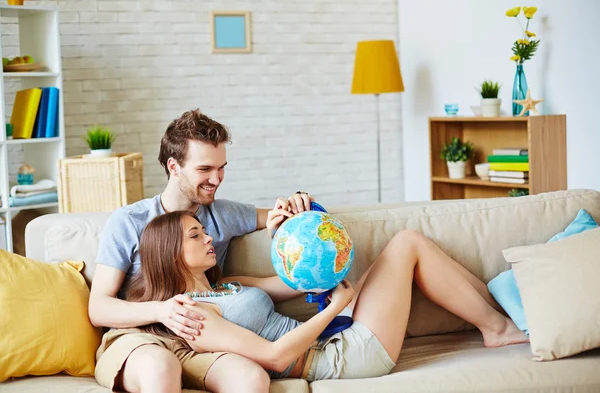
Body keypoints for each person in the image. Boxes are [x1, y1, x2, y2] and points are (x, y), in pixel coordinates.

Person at [127, 209, 529, 386]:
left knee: (410, 243)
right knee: (407, 244)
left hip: (337, 332)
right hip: (336, 358)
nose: (209, 237)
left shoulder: (226, 282)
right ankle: (497, 326)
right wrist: (336, 306)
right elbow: (274, 357)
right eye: (196, 235)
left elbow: (289, 281)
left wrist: (296, 238)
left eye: (204, 229)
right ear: (170, 252)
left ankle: (501, 313)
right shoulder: (195, 317)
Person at [89, 109, 312, 392]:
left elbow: (284, 213)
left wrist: (296, 201)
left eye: (221, 168)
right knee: (160, 367)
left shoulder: (223, 213)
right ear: (174, 167)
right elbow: (99, 308)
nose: (216, 179)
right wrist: (162, 311)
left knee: (251, 378)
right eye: (204, 169)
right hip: (143, 339)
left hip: (201, 344)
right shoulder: (129, 221)